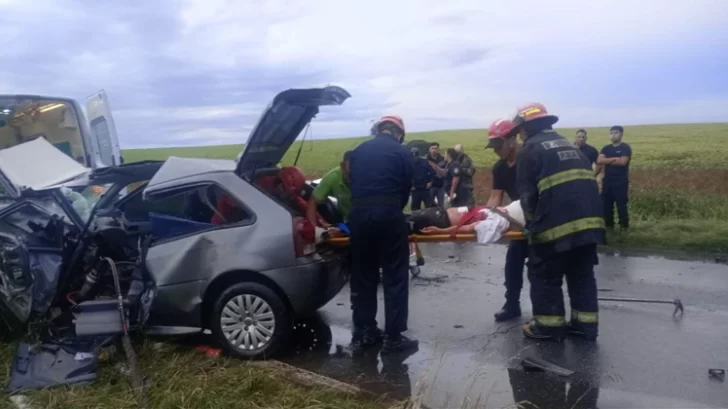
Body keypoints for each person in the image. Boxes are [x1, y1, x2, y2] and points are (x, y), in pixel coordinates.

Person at [512, 102, 605, 342]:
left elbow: (527, 196)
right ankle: (585, 327)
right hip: (591, 223)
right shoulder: (570, 145)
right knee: (582, 274)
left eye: (520, 128)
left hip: (556, 224)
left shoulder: (529, 150)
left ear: (525, 127)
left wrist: (532, 228)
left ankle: (548, 327)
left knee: (544, 273)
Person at [348, 115, 417, 354]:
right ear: (399, 133)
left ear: (378, 130)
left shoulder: (358, 151)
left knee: (363, 274)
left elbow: (352, 183)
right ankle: (394, 338)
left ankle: (366, 331)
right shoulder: (402, 153)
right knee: (395, 275)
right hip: (388, 214)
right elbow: (406, 190)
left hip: (358, 217)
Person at [484, 118, 529, 322]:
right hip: (520, 220)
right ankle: (512, 304)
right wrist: (484, 216)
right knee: (513, 263)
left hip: (540, 218)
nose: (496, 150)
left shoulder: (530, 158)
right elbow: (495, 197)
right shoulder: (500, 168)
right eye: (493, 147)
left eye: (499, 145)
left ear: (512, 138)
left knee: (540, 268)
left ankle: (544, 309)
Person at [306, 150, 352, 231]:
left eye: (354, 173)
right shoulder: (332, 177)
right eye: (348, 173)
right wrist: (315, 229)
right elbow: (313, 201)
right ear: (342, 166)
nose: (350, 178)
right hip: (347, 221)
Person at [597, 125, 632, 230]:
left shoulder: (625, 147)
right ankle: (609, 226)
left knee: (621, 205)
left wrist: (607, 160)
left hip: (620, 181)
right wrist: (615, 159)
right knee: (606, 205)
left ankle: (624, 227)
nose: (613, 135)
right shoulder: (606, 148)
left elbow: (623, 162)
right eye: (611, 133)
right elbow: (599, 161)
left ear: (621, 134)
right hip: (607, 181)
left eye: (616, 133)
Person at [426, 143, 447, 207]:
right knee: (429, 206)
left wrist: (434, 166)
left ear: (438, 150)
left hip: (441, 186)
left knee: (441, 206)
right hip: (430, 187)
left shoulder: (443, 159)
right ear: (429, 150)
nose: (434, 150)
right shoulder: (425, 160)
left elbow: (444, 173)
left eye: (436, 148)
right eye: (432, 148)